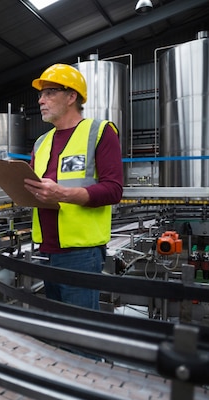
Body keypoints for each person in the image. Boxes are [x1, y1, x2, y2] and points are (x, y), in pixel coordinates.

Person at [23, 63, 124, 310]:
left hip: (81, 252)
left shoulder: (99, 131)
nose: (41, 100)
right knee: (60, 325)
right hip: (45, 249)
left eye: (49, 93)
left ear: (71, 96)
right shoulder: (41, 142)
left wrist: (64, 194)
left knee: (81, 330)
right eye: (40, 94)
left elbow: (113, 189)